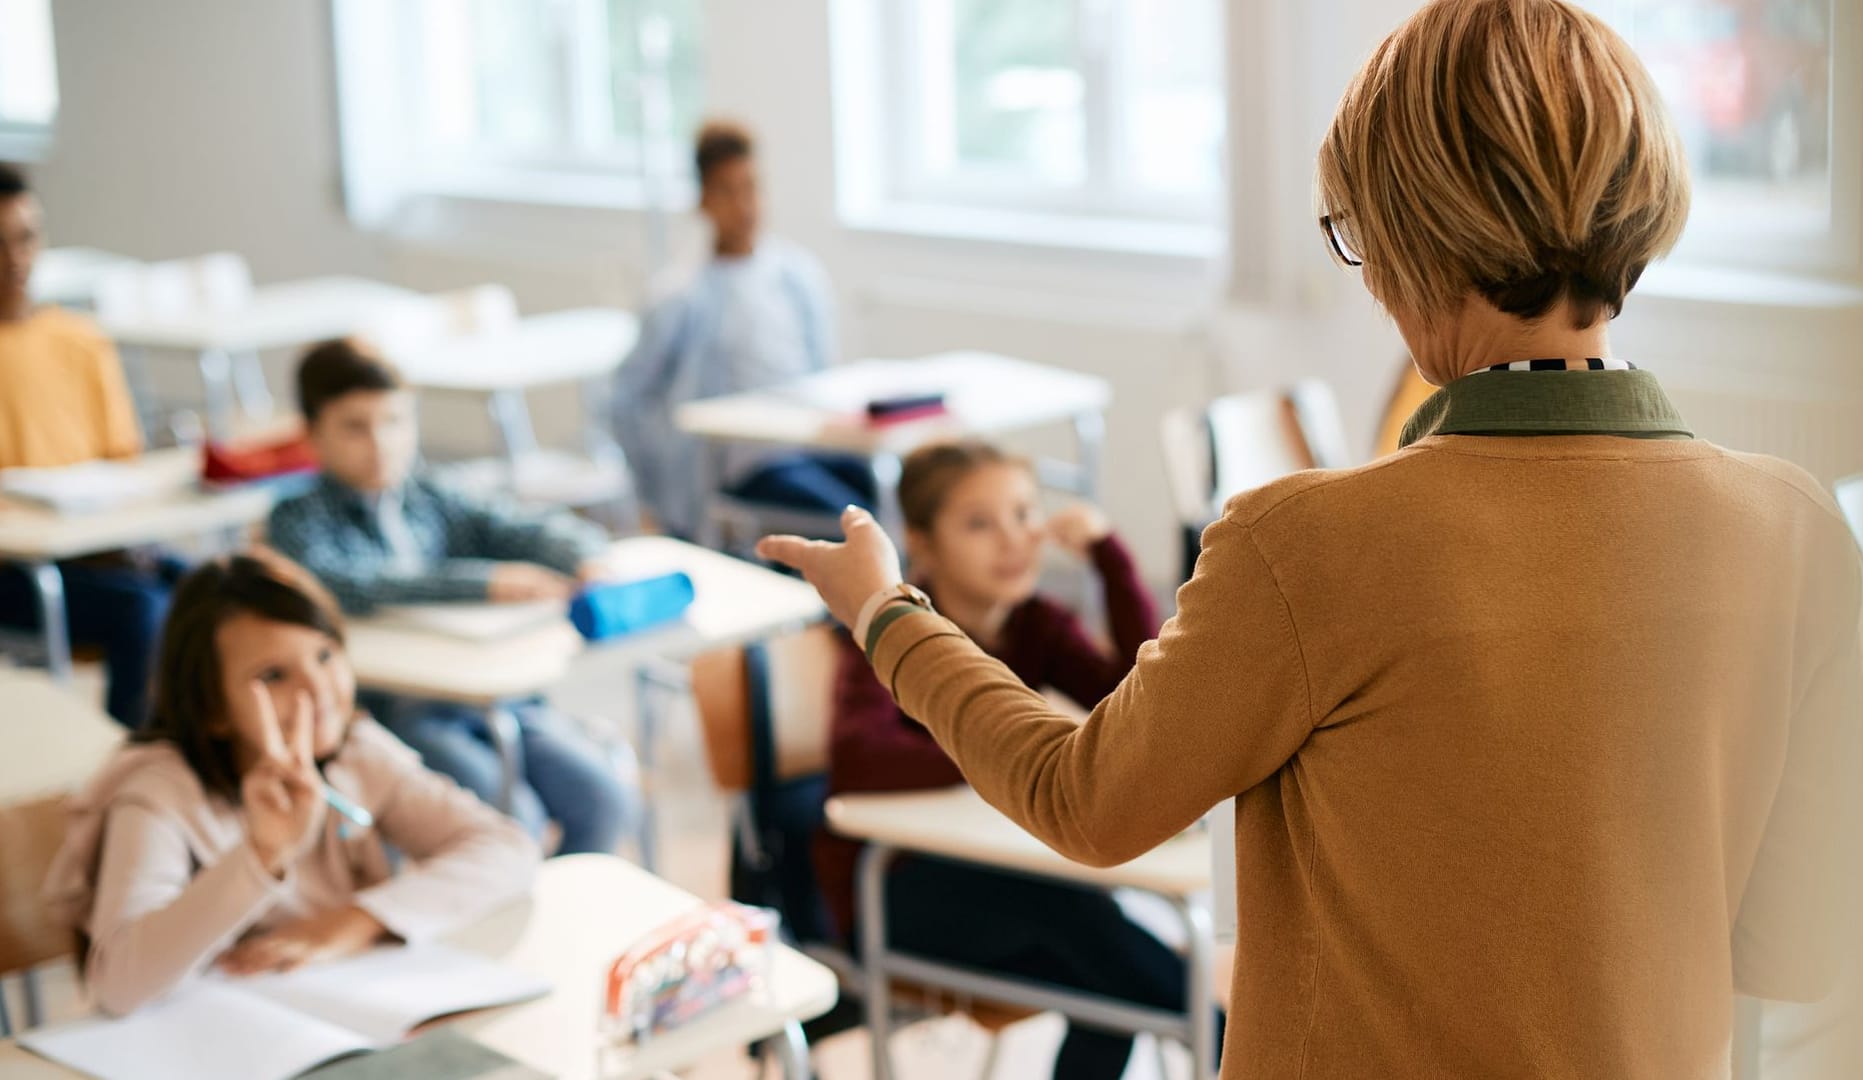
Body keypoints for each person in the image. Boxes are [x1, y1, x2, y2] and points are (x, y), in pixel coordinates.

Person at [758, 0, 1863, 1075]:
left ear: (1418, 231)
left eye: (1360, 238)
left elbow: (1084, 800)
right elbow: (1795, 949)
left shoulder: (1309, 545)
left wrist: (888, 613)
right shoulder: (1797, 532)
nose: (1372, 278)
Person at [812, 439, 1217, 1079]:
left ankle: (1223, 1034)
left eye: (1025, 515)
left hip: (1006, 871)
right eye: (979, 524)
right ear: (920, 543)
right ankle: (1228, 1038)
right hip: (897, 888)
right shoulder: (886, 626)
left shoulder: (1037, 624)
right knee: (1086, 925)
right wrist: (998, 742)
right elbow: (862, 757)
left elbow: (1140, 700)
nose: (1013, 540)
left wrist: (1108, 561)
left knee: (1108, 986)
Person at [41, 552, 540, 1017]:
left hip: (335, 1009)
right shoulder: (158, 793)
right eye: (275, 675)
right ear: (212, 706)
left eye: (325, 656)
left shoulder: (356, 751)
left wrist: (357, 920)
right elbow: (119, 984)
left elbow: (507, 847)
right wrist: (260, 855)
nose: (318, 691)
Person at [267, 339, 635, 856]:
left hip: (493, 699)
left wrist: (581, 556)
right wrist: (483, 583)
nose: (380, 443)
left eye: (394, 421)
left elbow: (519, 527)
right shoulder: (296, 520)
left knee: (601, 796)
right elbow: (356, 582)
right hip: (397, 715)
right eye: (354, 426)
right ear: (312, 434)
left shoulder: (429, 495)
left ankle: (554, 909)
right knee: (512, 815)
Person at [613, 120, 872, 540]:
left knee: (892, 495)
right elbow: (628, 399)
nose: (743, 206)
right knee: (855, 525)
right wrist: (654, 496)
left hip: (808, 444)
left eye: (751, 187)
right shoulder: (679, 298)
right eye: (726, 192)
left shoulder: (798, 277)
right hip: (742, 464)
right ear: (703, 202)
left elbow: (823, 372)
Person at [0, 162, 174, 729]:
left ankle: (202, 773)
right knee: (141, 612)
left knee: (214, 591)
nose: (15, 260)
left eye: (26, 238)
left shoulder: (81, 340)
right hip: (18, 569)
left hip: (95, 544)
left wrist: (122, 536)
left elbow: (123, 462)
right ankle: (128, 777)